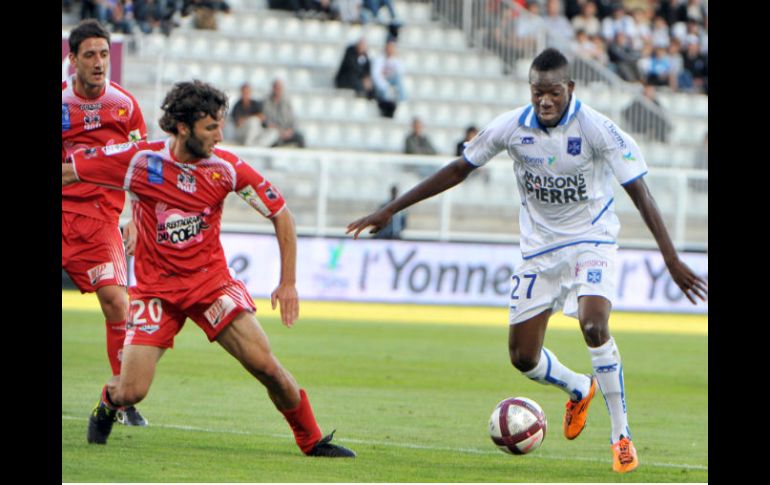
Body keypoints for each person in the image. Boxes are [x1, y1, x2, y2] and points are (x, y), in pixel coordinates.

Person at [347, 48, 707, 474]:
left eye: (553, 92)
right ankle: (579, 388)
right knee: (522, 357)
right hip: (538, 251)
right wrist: (391, 208)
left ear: (569, 89)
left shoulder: (597, 129)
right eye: (537, 92)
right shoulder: (512, 128)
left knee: (593, 324)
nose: (545, 101)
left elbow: (639, 191)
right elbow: (459, 169)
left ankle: (621, 435)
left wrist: (669, 256)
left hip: (591, 240)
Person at [62, 80, 356, 458]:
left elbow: (282, 215)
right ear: (183, 127)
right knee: (131, 391)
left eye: (220, 125)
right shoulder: (140, 160)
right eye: (211, 127)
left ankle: (313, 441)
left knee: (266, 366)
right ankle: (107, 403)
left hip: (210, 286)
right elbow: (72, 171)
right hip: (156, 292)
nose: (220, 135)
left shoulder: (227, 168)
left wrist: (288, 283)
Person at [62, 19, 149, 428]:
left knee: (118, 303)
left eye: (103, 55)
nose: (98, 63)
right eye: (89, 56)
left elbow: (143, 166)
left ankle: (122, 398)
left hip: (99, 221)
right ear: (72, 60)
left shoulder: (125, 107)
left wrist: (134, 216)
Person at [262, 79, 306, 148]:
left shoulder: (286, 102)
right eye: (276, 88)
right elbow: (266, 121)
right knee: (271, 138)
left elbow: (293, 120)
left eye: (279, 88)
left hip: (287, 132)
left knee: (300, 138)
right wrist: (280, 132)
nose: (278, 90)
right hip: (274, 132)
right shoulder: (266, 102)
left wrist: (289, 131)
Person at [371, 39, 406, 118]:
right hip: (381, 85)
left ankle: (401, 102)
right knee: (385, 92)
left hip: (391, 85)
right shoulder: (379, 59)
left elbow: (400, 74)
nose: (390, 50)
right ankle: (386, 110)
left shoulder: (396, 60)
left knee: (398, 86)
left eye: (392, 48)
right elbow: (376, 76)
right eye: (389, 47)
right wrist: (386, 86)